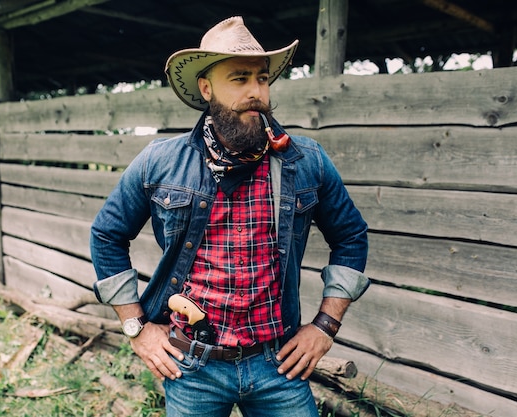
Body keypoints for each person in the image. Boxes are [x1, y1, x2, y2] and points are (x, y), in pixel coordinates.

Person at [90, 16, 369, 417]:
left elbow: (352, 237)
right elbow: (106, 235)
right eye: (239, 79)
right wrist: (136, 328)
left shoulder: (306, 161)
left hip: (279, 366)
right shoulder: (160, 162)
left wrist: (325, 326)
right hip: (191, 365)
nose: (256, 92)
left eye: (262, 78)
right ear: (207, 89)